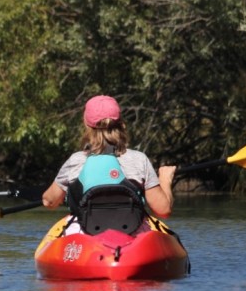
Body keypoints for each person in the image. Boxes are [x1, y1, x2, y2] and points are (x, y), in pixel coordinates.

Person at [42, 95, 175, 234]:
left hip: (85, 234)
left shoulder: (75, 160)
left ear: (87, 125)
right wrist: (165, 179)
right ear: (121, 123)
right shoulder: (139, 159)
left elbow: (49, 202)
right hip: (132, 234)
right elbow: (163, 210)